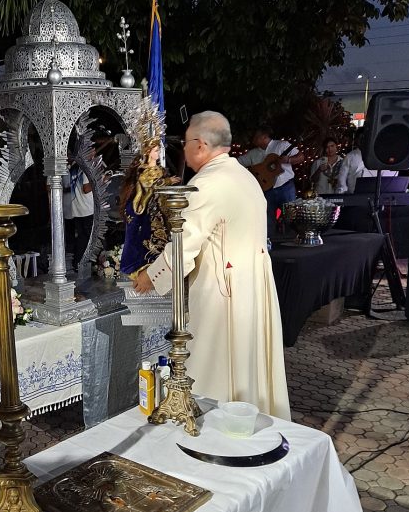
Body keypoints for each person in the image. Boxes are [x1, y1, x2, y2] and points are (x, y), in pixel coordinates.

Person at [132, 111, 290, 419]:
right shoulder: (243, 175)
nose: (183, 149)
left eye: (185, 141)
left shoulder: (208, 183)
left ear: (201, 144)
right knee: (250, 364)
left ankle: (218, 432)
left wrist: (150, 277)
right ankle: (253, 419)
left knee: (216, 369)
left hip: (225, 293)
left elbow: (183, 244)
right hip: (253, 285)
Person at [119, 138, 178, 276]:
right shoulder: (143, 170)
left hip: (160, 207)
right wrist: (168, 181)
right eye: (156, 151)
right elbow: (150, 185)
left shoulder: (160, 169)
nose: (158, 153)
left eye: (158, 150)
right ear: (148, 152)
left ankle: (163, 265)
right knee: (147, 236)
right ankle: (147, 264)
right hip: (148, 210)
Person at [237, 125, 304, 233]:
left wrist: (289, 159)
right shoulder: (253, 153)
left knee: (291, 218)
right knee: (267, 221)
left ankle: (292, 244)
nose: (253, 140)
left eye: (256, 137)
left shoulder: (282, 145)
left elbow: (301, 157)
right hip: (266, 190)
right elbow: (238, 162)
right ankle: (269, 245)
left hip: (286, 187)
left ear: (264, 136)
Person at [70, 163, 94, 267]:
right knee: (90, 238)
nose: (94, 151)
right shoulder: (85, 169)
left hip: (77, 209)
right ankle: (88, 264)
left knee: (82, 238)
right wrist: (101, 180)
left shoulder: (73, 168)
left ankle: (78, 263)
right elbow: (86, 188)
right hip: (87, 209)